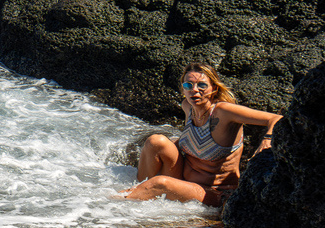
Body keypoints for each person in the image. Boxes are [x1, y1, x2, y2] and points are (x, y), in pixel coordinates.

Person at [120, 62, 281, 208]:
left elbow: (276, 118)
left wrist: (267, 140)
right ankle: (137, 191)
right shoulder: (188, 107)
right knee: (156, 141)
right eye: (188, 85)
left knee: (160, 183)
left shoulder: (224, 112)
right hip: (184, 182)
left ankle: (116, 204)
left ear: (214, 89)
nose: (194, 90)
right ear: (183, 89)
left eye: (202, 85)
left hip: (214, 192)